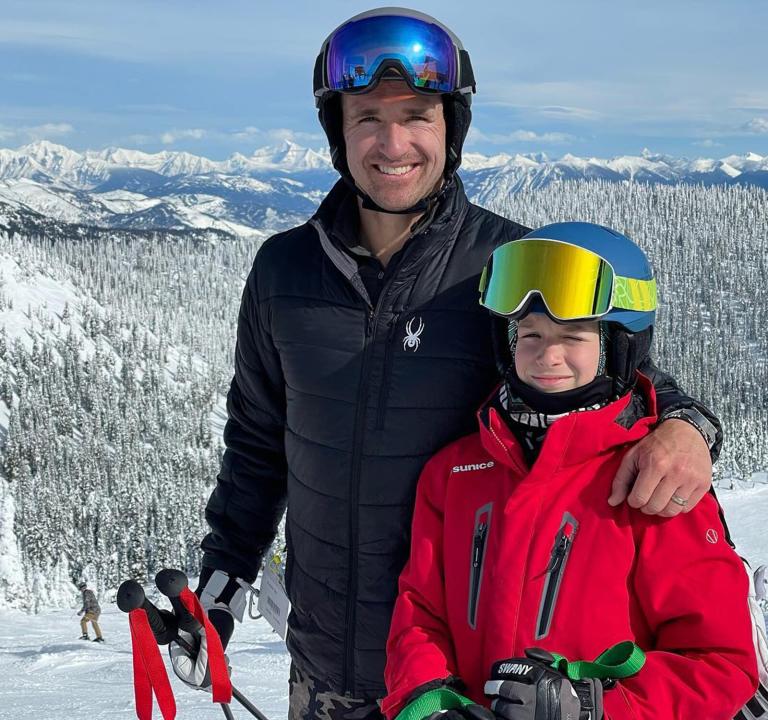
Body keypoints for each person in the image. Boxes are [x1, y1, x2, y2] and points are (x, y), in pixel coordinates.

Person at [195, 8, 722, 719]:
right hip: (319, 666)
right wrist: (221, 584)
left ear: (452, 128)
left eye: (416, 114)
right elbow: (258, 443)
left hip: (461, 684)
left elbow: (610, 369)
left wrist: (687, 425)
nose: (392, 142)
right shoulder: (282, 271)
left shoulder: (506, 267)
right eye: (366, 116)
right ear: (336, 130)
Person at [382, 224, 758, 719]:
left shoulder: (653, 479)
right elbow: (420, 613)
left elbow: (719, 664)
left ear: (617, 346)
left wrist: (593, 708)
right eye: (531, 334)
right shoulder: (455, 473)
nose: (547, 355)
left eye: (573, 337)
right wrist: (429, 702)